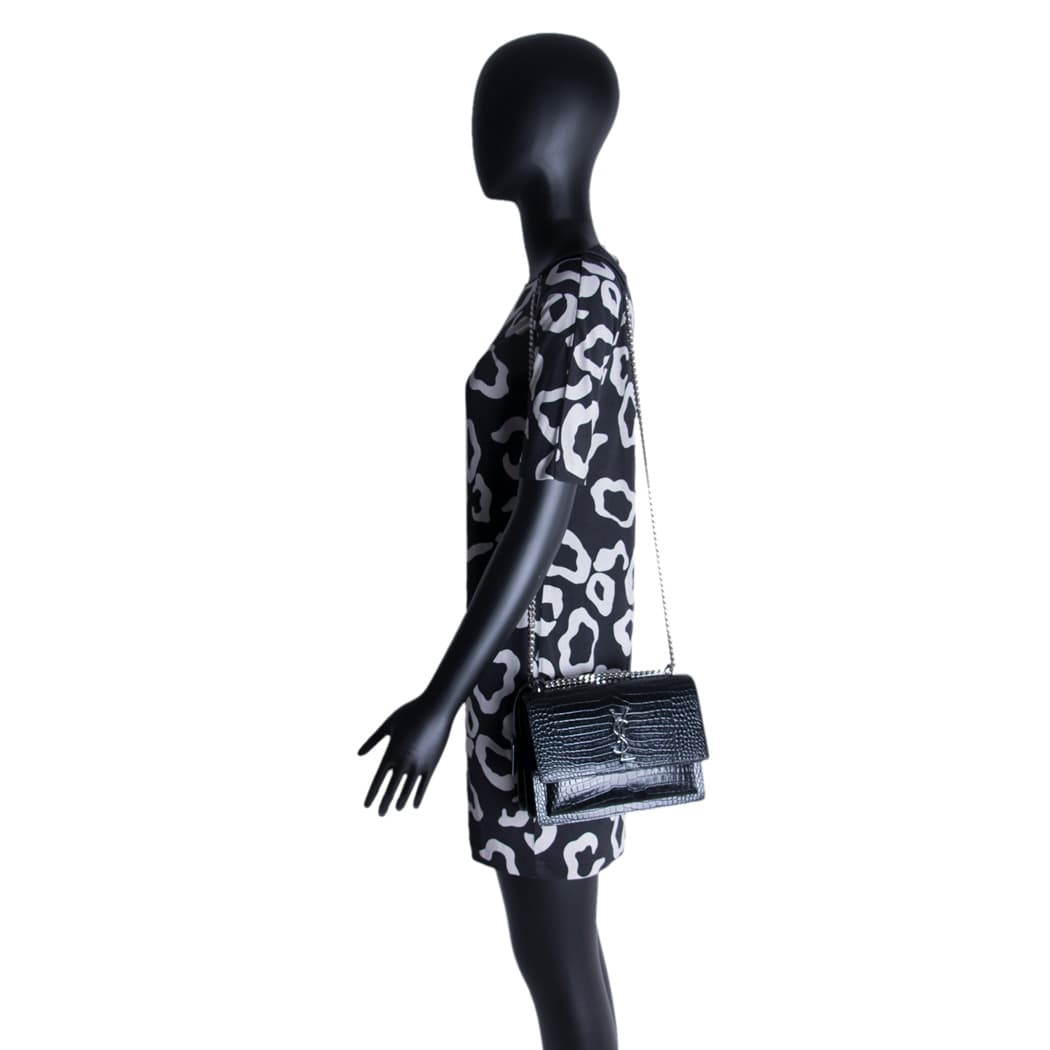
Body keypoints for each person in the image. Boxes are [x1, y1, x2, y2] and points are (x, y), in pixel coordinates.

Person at [359, 33, 633, 1050]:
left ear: (563, 129)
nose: (483, 126)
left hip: (544, 697)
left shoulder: (579, 291)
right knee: (560, 957)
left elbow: (546, 510)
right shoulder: (562, 287)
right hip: (535, 679)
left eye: (502, 102)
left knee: (557, 962)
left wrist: (439, 700)